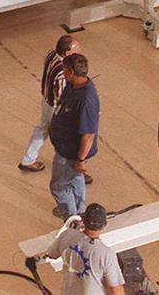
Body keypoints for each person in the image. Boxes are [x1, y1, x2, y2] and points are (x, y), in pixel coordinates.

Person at [19, 35, 91, 186]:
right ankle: (77, 171)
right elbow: (62, 99)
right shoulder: (62, 74)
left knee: (41, 129)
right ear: (66, 53)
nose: (80, 52)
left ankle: (28, 159)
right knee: (70, 140)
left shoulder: (51, 54)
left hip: (46, 100)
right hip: (55, 108)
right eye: (76, 50)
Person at [48, 53, 99, 221]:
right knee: (75, 179)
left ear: (70, 71)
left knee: (59, 186)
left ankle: (71, 220)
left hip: (71, 152)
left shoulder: (86, 99)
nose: (62, 71)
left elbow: (88, 134)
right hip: (65, 145)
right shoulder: (73, 86)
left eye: (64, 69)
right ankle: (80, 212)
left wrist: (80, 159)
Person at [45, 203, 123, 295]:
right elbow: (115, 290)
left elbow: (51, 254)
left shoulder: (67, 235)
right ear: (104, 224)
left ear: (83, 220)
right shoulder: (106, 254)